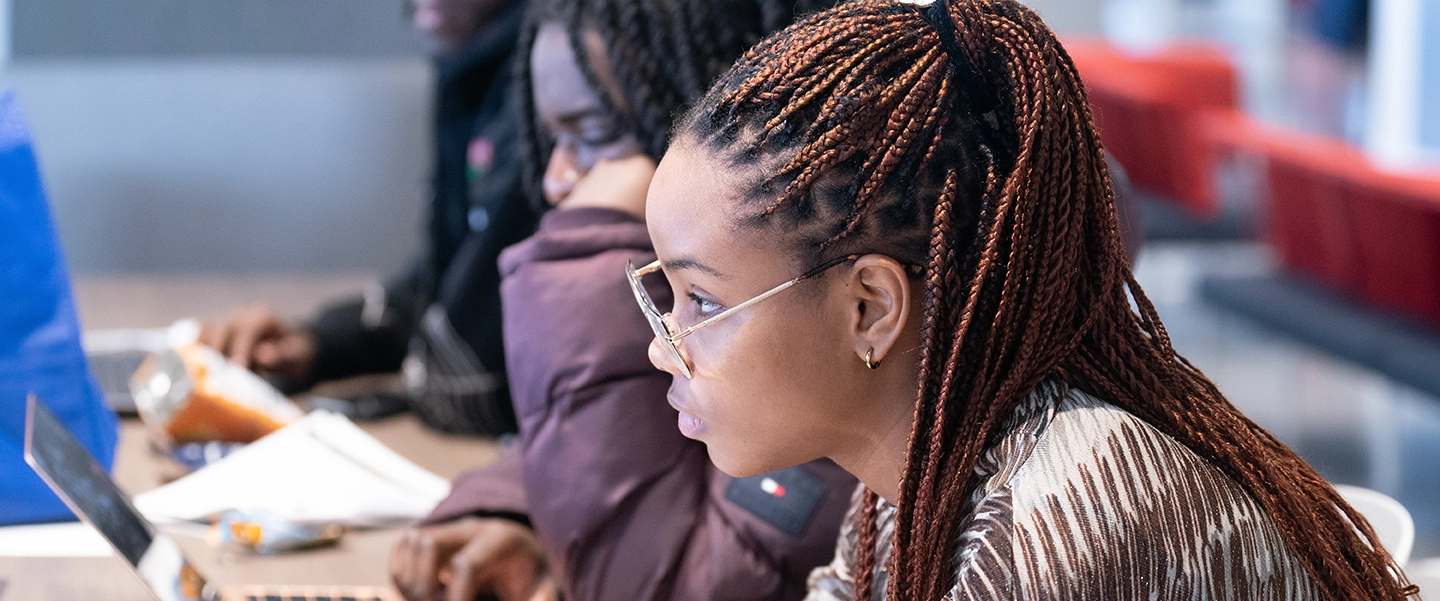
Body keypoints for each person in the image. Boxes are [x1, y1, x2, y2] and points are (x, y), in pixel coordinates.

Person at [626, 0, 1420, 599]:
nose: (665, 343)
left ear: (869, 307)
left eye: (700, 299)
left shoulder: (1063, 520)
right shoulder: (910, 483)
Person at [387, 1, 854, 601]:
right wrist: (523, 511)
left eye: (595, 135)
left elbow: (661, 584)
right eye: (554, 139)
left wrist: (586, 250)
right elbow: (663, 429)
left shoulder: (816, 318)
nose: (556, 179)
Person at [199, 0, 537, 436]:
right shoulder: (469, 66)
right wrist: (317, 344)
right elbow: (437, 290)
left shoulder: (547, 71)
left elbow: (467, 371)